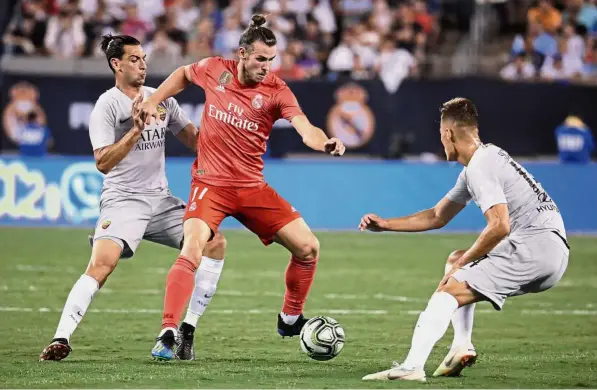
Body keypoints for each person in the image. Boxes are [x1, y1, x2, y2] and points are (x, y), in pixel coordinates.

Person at [138, 14, 346, 361]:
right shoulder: (214, 69)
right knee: (192, 249)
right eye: (261, 59)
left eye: (271, 60)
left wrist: (324, 143)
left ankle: (290, 317)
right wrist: (152, 100)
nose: (267, 67)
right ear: (242, 54)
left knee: (308, 248)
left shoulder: (277, 90)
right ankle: (170, 331)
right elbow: (182, 75)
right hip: (210, 185)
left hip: (251, 187)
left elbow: (305, 127)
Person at [39, 34, 227, 362]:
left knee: (214, 243)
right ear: (117, 64)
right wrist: (136, 129)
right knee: (102, 263)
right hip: (123, 200)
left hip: (161, 200)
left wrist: (221, 129)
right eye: (135, 59)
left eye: (143, 58)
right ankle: (61, 338)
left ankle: (185, 332)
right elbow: (103, 162)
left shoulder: (161, 98)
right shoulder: (107, 105)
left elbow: (194, 141)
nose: (143, 65)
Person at [359, 97, 569, 382]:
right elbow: (437, 216)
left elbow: (499, 226)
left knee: (449, 289)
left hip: (534, 247)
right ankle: (461, 346)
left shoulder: (481, 166)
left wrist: (464, 266)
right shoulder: (484, 160)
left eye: (441, 136)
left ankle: (411, 368)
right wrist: (385, 224)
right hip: (550, 250)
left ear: (448, 134)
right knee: (455, 259)